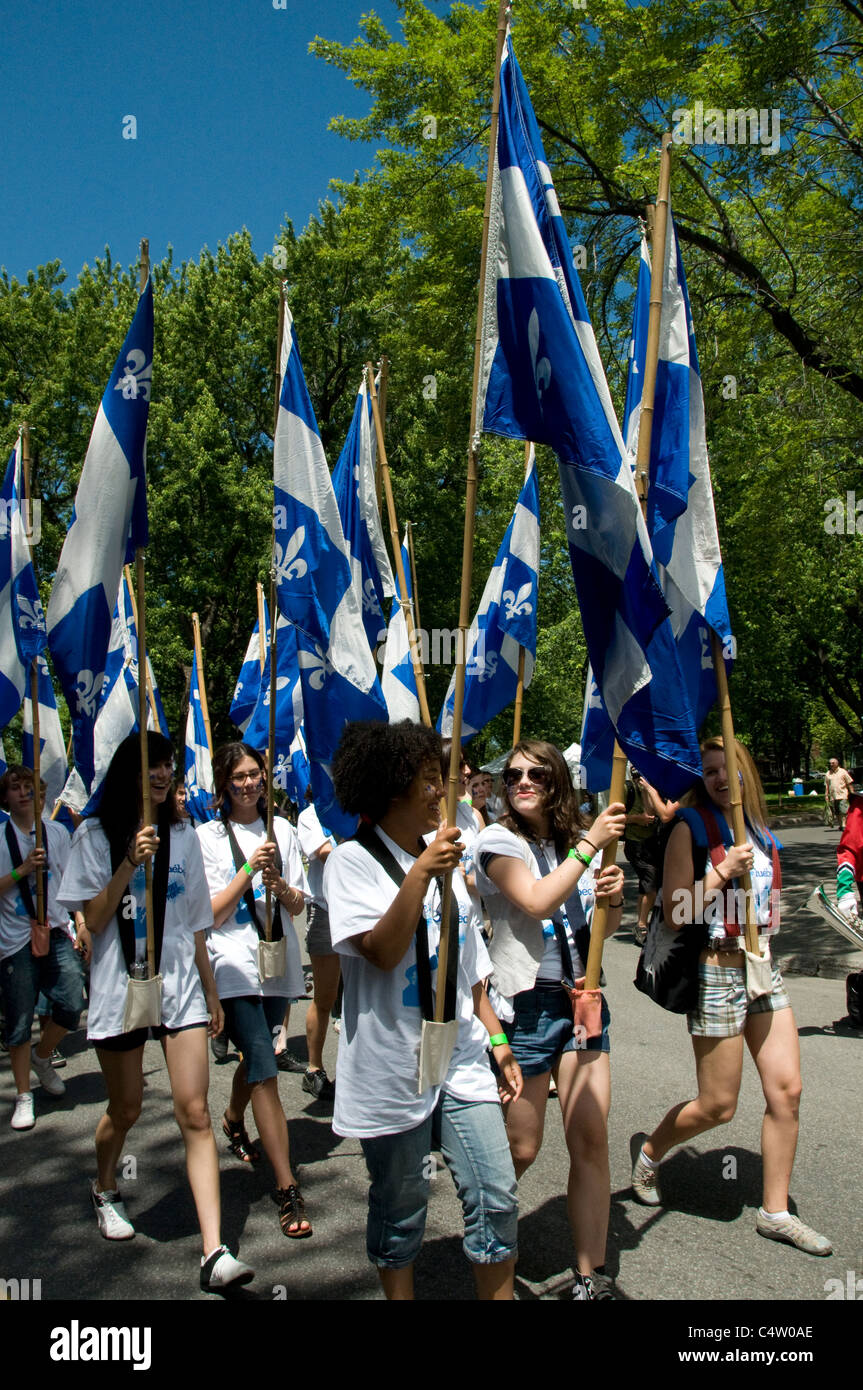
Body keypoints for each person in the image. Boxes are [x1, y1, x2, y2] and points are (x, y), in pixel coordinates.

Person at [324, 720, 522, 1301]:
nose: (444, 792)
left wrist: (498, 1043)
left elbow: (471, 971)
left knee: (495, 1190)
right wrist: (419, 874)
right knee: (403, 1200)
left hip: (459, 1057)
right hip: (392, 1067)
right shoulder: (351, 863)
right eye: (430, 781)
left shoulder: (446, 863)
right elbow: (383, 953)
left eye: (444, 780)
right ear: (391, 788)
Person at [58, 733, 254, 1292]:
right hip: (121, 991)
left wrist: (212, 992)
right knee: (126, 1108)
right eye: (152, 764)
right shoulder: (94, 836)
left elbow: (197, 923)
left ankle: (214, 1251)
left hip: (180, 992)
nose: (163, 773)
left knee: (194, 1111)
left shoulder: (184, 834)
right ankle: (104, 1186)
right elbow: (93, 922)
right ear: (129, 771)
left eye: (168, 764)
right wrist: (127, 862)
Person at [630, 735, 831, 1257]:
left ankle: (775, 1212)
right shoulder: (690, 827)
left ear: (746, 774)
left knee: (786, 1092)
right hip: (715, 971)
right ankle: (652, 1153)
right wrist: (720, 872)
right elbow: (674, 912)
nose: (721, 779)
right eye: (711, 771)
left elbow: (770, 898)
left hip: (764, 969)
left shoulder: (760, 831)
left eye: (729, 769)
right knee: (718, 1105)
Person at [473, 739, 627, 1300]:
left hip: (583, 1000)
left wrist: (612, 897)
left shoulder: (572, 844)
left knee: (589, 1136)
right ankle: (486, 1239)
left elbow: (600, 934)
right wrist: (589, 848)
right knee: (521, 1149)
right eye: (513, 775)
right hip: (528, 1006)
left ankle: (590, 1277)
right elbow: (536, 901)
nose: (522, 782)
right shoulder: (496, 840)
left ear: (557, 779)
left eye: (537, 773)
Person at [196, 742, 312, 1238]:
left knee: (256, 1055)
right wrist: (248, 870)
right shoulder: (205, 837)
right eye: (238, 776)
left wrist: (279, 883)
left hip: (277, 960)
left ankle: (231, 1117)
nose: (248, 783)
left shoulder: (281, 830)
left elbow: (299, 906)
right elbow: (211, 914)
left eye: (255, 774)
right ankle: (286, 1186)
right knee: (265, 1066)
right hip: (233, 964)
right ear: (223, 784)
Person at [0, 765, 85, 1130]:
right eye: (16, 788)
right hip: (15, 939)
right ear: (5, 797)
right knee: (19, 1021)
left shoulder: (56, 833)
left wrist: (80, 924)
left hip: (56, 931)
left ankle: (43, 1055)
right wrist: (21, 871)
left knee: (71, 1002)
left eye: (31, 787)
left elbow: (70, 883)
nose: (24, 793)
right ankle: (23, 1095)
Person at [296, 788, 338, 1101]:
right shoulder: (310, 816)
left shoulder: (361, 809)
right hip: (325, 911)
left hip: (363, 912)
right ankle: (314, 1067)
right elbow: (325, 852)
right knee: (325, 996)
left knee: (362, 997)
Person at [623, 768, 678, 945]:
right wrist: (636, 819)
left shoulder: (656, 790)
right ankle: (641, 925)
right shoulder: (627, 789)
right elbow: (611, 815)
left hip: (654, 843)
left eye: (643, 775)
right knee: (651, 882)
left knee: (649, 884)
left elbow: (657, 813)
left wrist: (649, 790)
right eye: (636, 775)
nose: (639, 779)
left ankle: (644, 921)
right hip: (635, 844)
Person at [825, 758, 854, 830]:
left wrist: (852, 793)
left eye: (833, 763)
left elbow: (849, 783)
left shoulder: (843, 772)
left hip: (842, 794)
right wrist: (826, 795)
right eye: (830, 763)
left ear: (837, 763)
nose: (831, 764)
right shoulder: (828, 773)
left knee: (843, 810)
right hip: (833, 796)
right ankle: (841, 825)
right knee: (837, 811)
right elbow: (827, 786)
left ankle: (844, 824)